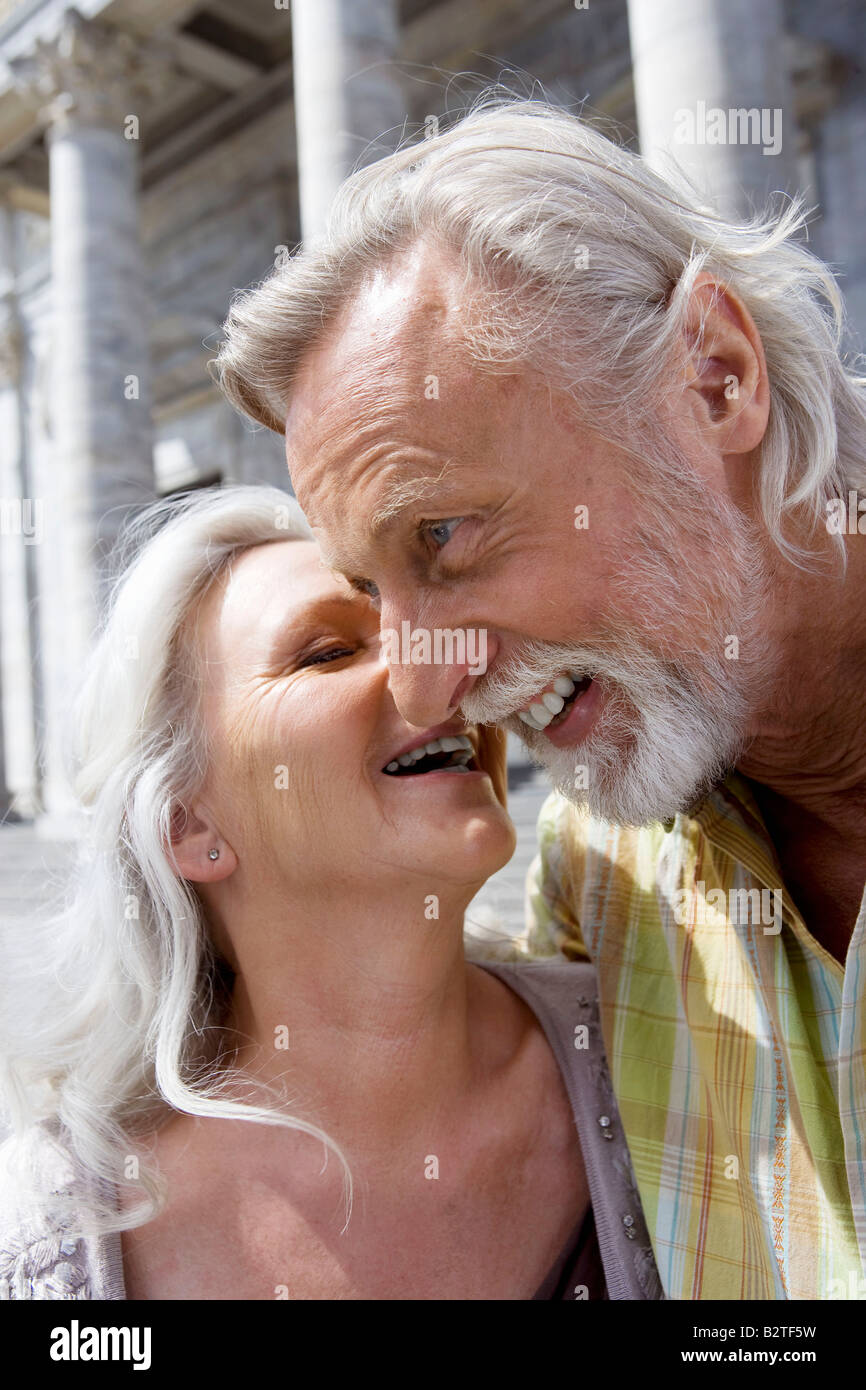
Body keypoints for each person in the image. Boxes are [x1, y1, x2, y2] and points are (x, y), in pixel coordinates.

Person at [213, 97, 866, 1300]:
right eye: (365, 589)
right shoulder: (592, 889)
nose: (421, 680)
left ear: (714, 378)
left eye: (444, 536)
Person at [0, 485, 660, 1301]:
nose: (435, 672)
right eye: (328, 653)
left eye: (430, 630)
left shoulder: (657, 1040)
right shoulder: (54, 1228)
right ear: (185, 824)